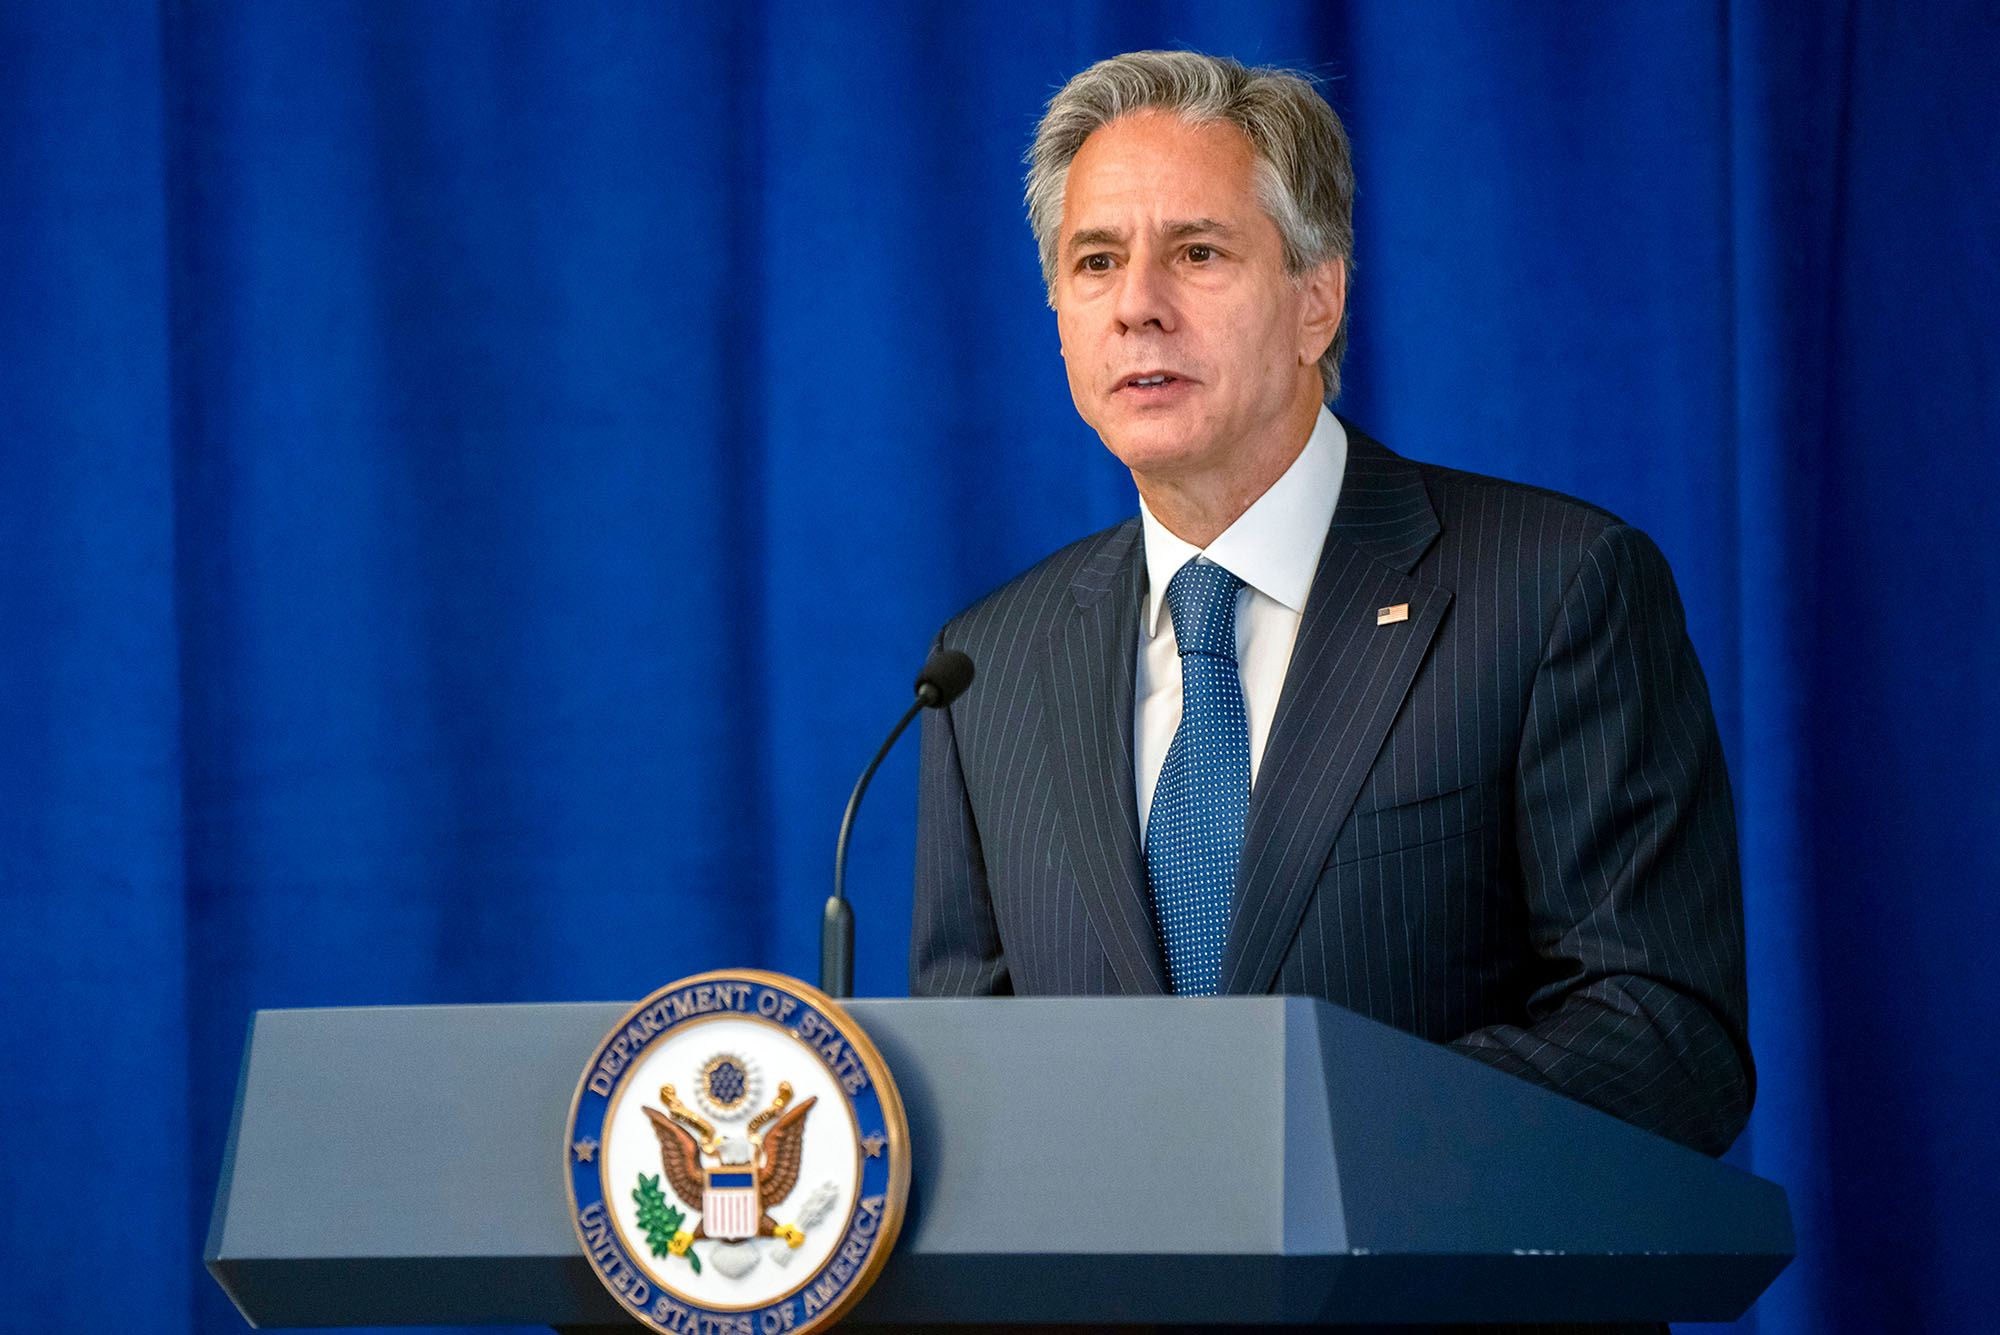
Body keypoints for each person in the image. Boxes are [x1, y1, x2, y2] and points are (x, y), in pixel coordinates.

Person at [910, 50, 1751, 1169]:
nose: (1137, 308)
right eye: (1094, 262)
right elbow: (978, 1086)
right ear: (1059, 317)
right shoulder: (984, 668)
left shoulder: (1554, 588)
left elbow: (1665, 1042)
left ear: (1317, 299)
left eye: (1196, 253)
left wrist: (1288, 1133)